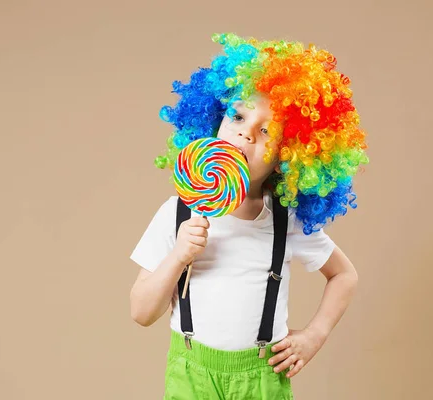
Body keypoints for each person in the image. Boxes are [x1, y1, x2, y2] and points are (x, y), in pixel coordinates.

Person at [130, 32, 369, 399]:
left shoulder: (285, 223)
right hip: (191, 374)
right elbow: (142, 312)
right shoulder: (177, 213)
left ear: (288, 156)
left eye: (267, 130)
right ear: (213, 121)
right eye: (238, 115)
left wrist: (313, 336)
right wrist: (179, 256)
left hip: (261, 379)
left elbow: (344, 276)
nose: (246, 133)